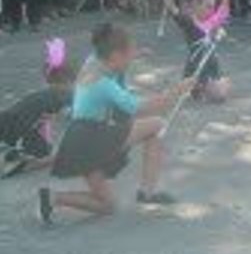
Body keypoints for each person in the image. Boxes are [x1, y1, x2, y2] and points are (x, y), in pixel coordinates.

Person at [39, 23, 197, 225]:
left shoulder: (95, 60)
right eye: (130, 53)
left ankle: (52, 198)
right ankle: (147, 192)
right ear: (115, 56)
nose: (132, 58)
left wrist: (136, 54)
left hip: (78, 141)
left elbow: (113, 59)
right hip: (91, 137)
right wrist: (177, 90)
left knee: (108, 206)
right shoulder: (104, 85)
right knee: (156, 124)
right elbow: (142, 109)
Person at [0, 38, 75, 178]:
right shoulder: (62, 94)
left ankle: (15, 158)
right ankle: (13, 165)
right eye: (72, 81)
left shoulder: (47, 92)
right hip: (14, 125)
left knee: (43, 149)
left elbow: (44, 119)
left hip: (7, 120)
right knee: (47, 154)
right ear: (67, 80)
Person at [165, 0, 231, 102]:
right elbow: (178, 15)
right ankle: (197, 88)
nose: (211, 10)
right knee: (195, 83)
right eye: (208, 7)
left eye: (212, 7)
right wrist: (170, 4)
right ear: (195, 6)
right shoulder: (190, 22)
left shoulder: (211, 21)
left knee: (220, 94)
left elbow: (222, 12)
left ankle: (203, 88)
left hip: (211, 63)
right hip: (196, 63)